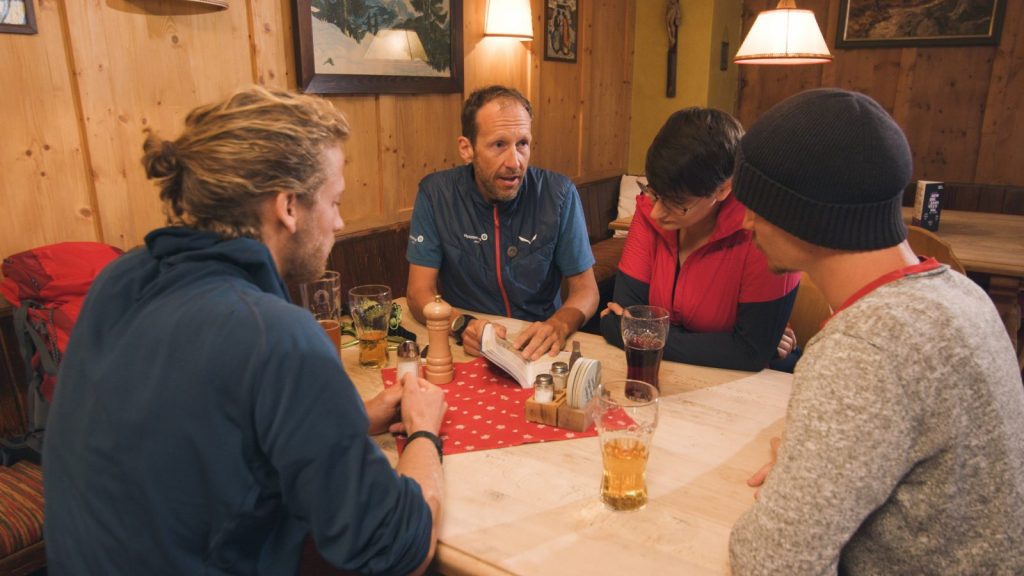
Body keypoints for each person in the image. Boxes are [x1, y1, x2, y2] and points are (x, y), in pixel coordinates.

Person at [43, 86, 448, 575]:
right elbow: (396, 547)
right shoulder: (275, 334)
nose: (340, 221)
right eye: (335, 201)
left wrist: (352, 419)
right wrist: (424, 430)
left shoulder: (120, 279)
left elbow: (200, 434)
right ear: (288, 207)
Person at [729, 88, 1024, 573]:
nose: (746, 222)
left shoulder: (864, 346)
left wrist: (799, 479)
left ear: (806, 215)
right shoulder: (961, 293)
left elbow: (769, 562)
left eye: (759, 206)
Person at [406, 85, 599, 361]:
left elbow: (587, 291)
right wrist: (463, 325)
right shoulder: (436, 195)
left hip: (538, 348)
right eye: (499, 145)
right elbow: (418, 292)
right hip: (467, 347)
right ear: (466, 149)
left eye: (522, 144)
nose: (515, 162)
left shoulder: (559, 193)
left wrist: (559, 324)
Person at [599, 108, 800, 371]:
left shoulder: (763, 230)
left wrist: (640, 334)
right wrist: (731, 346)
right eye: (654, 193)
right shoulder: (649, 211)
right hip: (670, 374)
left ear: (723, 189)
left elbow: (750, 354)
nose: (657, 212)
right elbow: (622, 323)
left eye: (678, 204)